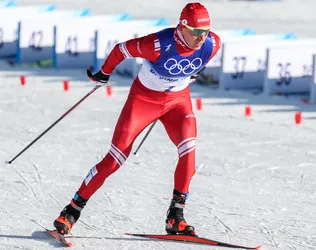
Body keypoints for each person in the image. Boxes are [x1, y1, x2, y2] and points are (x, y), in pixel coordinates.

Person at [53, 2, 221, 236]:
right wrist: (104, 73)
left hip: (178, 103)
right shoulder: (157, 44)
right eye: (195, 32)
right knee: (114, 160)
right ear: (182, 27)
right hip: (144, 101)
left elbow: (195, 66)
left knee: (189, 152)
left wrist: (188, 75)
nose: (201, 37)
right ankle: (71, 210)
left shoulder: (213, 43)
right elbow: (121, 49)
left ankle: (176, 216)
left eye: (205, 31)